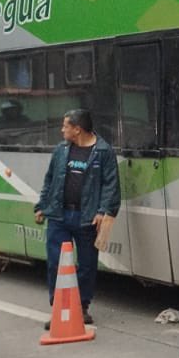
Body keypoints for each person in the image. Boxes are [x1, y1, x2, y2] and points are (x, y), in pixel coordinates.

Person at [33, 109, 119, 326]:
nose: (62, 130)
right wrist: (42, 206)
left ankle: (81, 306)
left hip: (87, 218)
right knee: (56, 264)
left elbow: (111, 185)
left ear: (77, 129)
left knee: (87, 265)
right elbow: (49, 180)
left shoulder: (103, 151)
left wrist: (103, 211)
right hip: (59, 216)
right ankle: (59, 308)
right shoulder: (61, 151)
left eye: (65, 126)